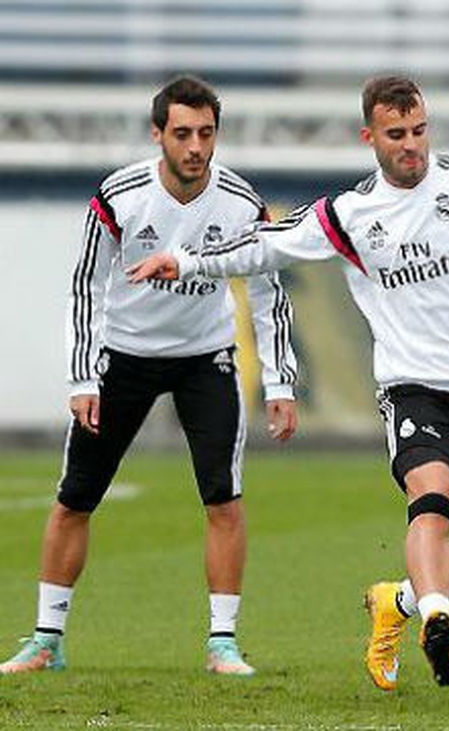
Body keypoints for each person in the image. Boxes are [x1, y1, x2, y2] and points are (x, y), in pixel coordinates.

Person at [126, 75, 449, 690]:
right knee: (433, 498)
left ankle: (399, 602)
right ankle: (438, 621)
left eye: (419, 131)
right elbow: (262, 248)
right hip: (413, 387)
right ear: (369, 137)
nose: (411, 146)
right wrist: (184, 260)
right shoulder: (349, 215)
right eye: (396, 135)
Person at [0, 76, 298, 677]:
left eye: (206, 134)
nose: (195, 147)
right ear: (157, 133)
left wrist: (280, 383)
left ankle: (222, 644)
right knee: (74, 498)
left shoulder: (241, 204)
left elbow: (268, 291)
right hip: (123, 357)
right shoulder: (119, 196)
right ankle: (46, 639)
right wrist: (83, 377)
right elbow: (85, 285)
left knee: (224, 498)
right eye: (182, 133)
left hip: (205, 357)